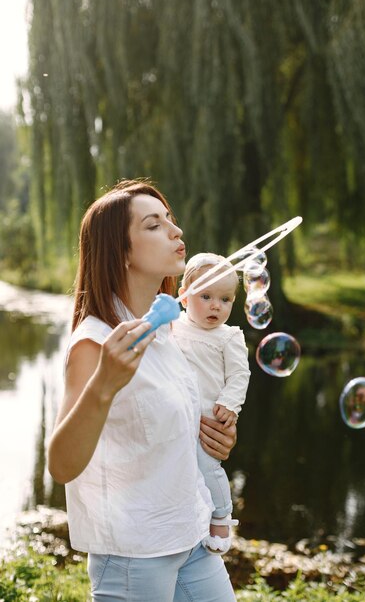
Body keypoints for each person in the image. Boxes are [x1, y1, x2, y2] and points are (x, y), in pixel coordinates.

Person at [47, 180, 238, 602]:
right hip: (136, 554)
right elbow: (61, 465)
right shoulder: (95, 343)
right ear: (122, 252)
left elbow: (155, 428)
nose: (176, 231)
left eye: (170, 219)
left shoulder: (169, 331)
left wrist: (212, 437)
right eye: (154, 225)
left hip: (190, 533)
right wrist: (103, 385)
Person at [172, 253, 250, 554]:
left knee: (208, 466)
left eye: (226, 299)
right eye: (206, 296)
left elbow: (239, 375)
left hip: (208, 415)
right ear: (184, 296)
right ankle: (193, 515)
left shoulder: (228, 337)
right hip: (179, 414)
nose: (216, 305)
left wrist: (230, 404)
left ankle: (221, 513)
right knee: (181, 467)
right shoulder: (173, 326)